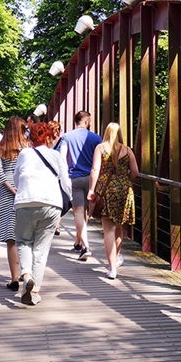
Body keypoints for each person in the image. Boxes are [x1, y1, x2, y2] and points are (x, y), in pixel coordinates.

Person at [13, 121, 71, 306]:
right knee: (41, 248)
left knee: (23, 241)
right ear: (48, 137)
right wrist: (72, 201)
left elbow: (16, 177)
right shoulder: (55, 155)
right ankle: (34, 290)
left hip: (25, 201)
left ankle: (27, 274)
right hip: (51, 204)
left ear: (30, 138)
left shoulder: (24, 153)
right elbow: (66, 183)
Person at [87, 122, 139, 280]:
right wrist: (123, 181)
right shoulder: (127, 150)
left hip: (106, 190)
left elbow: (95, 169)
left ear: (107, 132)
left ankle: (112, 268)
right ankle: (115, 259)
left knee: (108, 230)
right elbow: (135, 172)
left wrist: (91, 189)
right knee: (118, 228)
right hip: (124, 190)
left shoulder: (101, 148)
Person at [59, 111, 103, 261]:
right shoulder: (96, 138)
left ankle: (84, 245)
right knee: (85, 212)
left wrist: (64, 177)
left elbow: (62, 159)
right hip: (92, 179)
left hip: (75, 178)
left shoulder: (66, 137)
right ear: (87, 122)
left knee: (78, 212)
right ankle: (81, 244)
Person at [0, 116, 26, 290]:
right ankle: (25, 272)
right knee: (26, 235)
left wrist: (9, 186)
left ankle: (14, 277)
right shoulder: (27, 148)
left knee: (11, 237)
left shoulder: (0, 147)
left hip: (7, 194)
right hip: (25, 191)